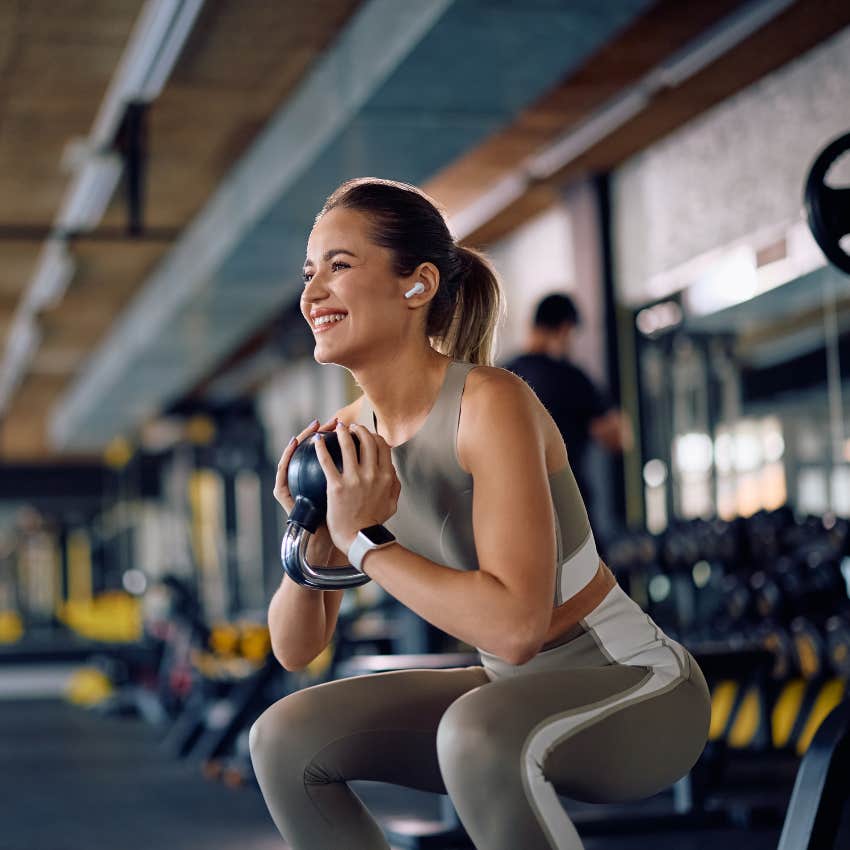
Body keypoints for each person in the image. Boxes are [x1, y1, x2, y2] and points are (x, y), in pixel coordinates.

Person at [249, 178, 710, 850]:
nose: (312, 292)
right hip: (505, 692)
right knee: (283, 738)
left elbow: (515, 628)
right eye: (309, 272)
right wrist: (312, 539)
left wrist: (363, 540)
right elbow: (295, 649)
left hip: (637, 690)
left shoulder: (490, 402)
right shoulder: (347, 440)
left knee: (475, 732)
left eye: (339, 266)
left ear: (418, 284)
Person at [502, 293, 633, 521]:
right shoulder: (572, 378)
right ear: (565, 329)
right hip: (568, 509)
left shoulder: (502, 374)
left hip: (515, 508)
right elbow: (620, 438)